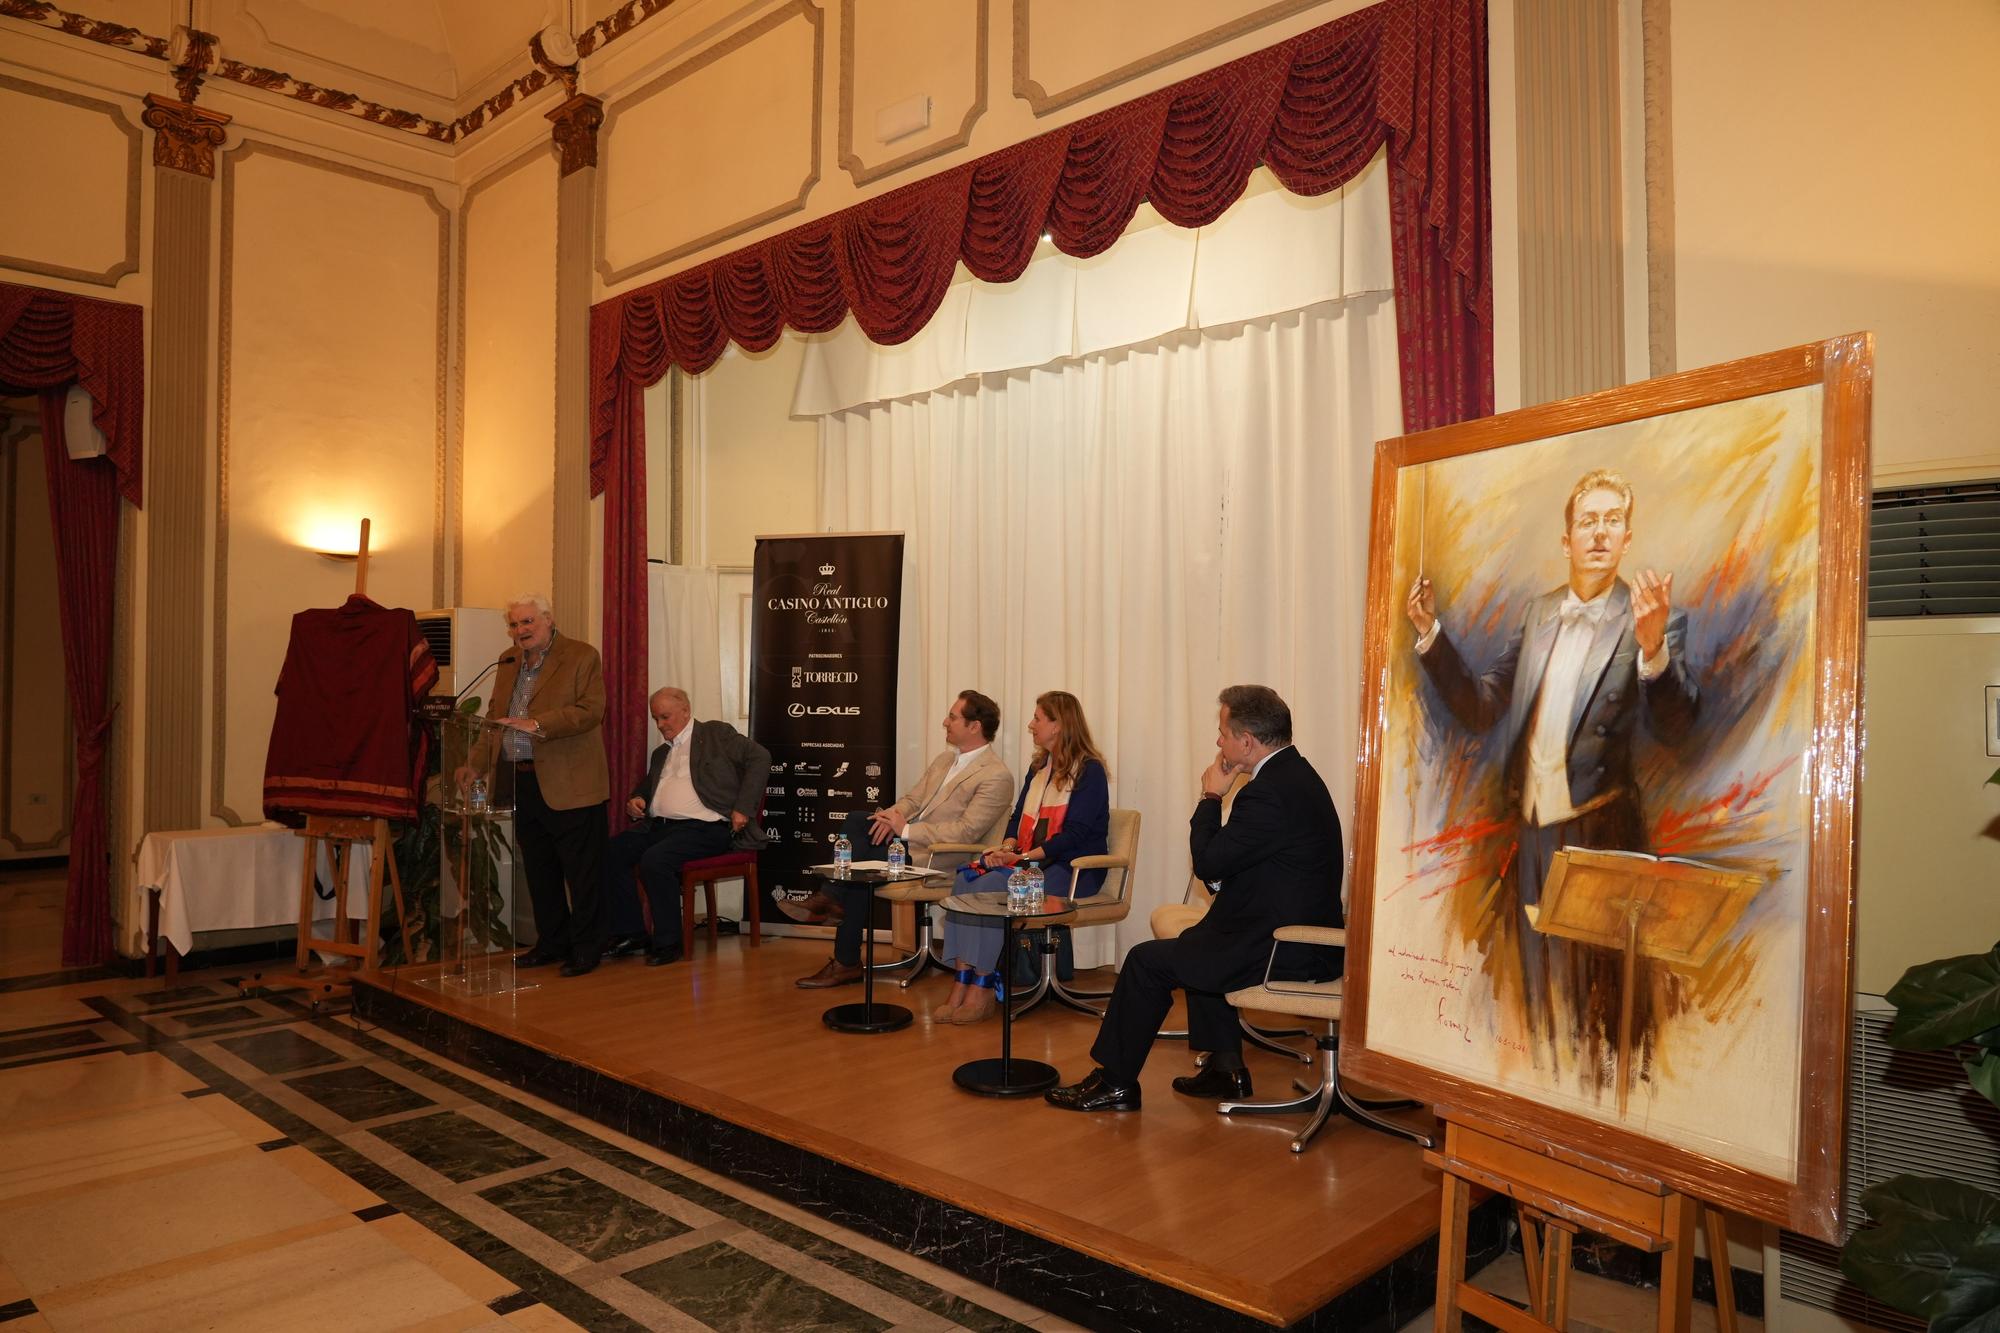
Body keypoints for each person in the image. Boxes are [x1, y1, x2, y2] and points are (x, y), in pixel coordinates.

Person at [1405, 468, 1699, 1056]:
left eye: (1612, 521)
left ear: (1627, 538)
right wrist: (1431, 634)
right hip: (1532, 836)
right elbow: (1484, 708)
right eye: (1587, 521)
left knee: (1602, 1003)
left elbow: (1677, 729)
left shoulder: (1653, 621)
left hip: (1603, 836)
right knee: (1541, 992)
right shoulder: (1538, 614)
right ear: (1566, 541)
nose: (1599, 533)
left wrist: (1652, 647)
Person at [1046, 685, 1340, 1112]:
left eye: (1222, 732)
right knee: (1200, 944)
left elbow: (1210, 862)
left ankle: (1115, 1082)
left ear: (1247, 742)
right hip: (1291, 934)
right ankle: (1225, 1069)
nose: (1218, 742)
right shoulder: (1296, 776)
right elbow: (1251, 863)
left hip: (1284, 948)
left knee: (1146, 962)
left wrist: (1211, 797)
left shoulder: (1267, 792)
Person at [788, 690, 1015, 988]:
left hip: (942, 856)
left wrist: (905, 830)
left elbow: (966, 831)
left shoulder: (996, 775)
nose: (945, 722)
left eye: (953, 717)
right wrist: (890, 818)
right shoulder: (945, 759)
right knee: (861, 824)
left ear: (975, 726)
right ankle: (837, 919)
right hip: (906, 847)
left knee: (857, 866)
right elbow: (912, 799)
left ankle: (838, 929)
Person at [936, 691, 1109, 1025]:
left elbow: (1074, 835)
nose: (1031, 725)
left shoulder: (1090, 772)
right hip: (1031, 863)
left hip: (1071, 870)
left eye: (1038, 719)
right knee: (965, 878)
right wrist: (1009, 845)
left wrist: (1024, 858)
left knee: (988, 888)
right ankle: (961, 981)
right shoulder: (1039, 767)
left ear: (1058, 725)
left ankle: (984, 987)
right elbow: (1017, 818)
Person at [472, 595, 609, 978]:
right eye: (514, 625)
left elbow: (591, 711)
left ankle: (587, 947)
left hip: (572, 783)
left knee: (581, 874)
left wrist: (537, 723)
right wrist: (474, 764)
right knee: (540, 870)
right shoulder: (507, 661)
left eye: (528, 622)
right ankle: (552, 942)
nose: (521, 631)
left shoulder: (581, 656)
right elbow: (494, 718)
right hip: (523, 781)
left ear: (549, 620)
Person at [602, 687, 770, 966]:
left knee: (654, 861)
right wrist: (638, 800)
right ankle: (631, 933)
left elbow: (760, 758)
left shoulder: (716, 734)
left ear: (686, 711)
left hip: (706, 829)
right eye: (656, 719)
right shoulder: (660, 754)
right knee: (611, 852)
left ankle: (669, 942)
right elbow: (646, 788)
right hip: (659, 828)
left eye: (665, 717)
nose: (660, 725)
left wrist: (743, 807)